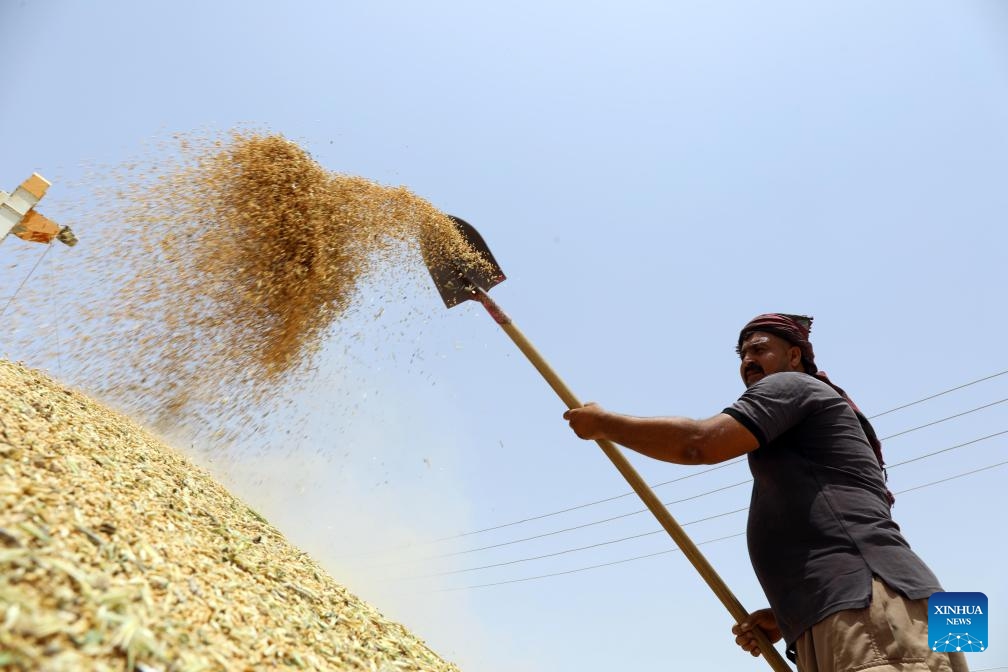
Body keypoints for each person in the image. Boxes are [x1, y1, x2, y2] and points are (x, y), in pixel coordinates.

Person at [563, 313, 967, 672]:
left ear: (795, 357)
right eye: (741, 354)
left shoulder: (794, 385)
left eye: (759, 349)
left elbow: (699, 443)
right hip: (893, 605)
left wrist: (604, 424)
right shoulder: (818, 419)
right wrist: (787, 614)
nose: (747, 361)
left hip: (873, 606)